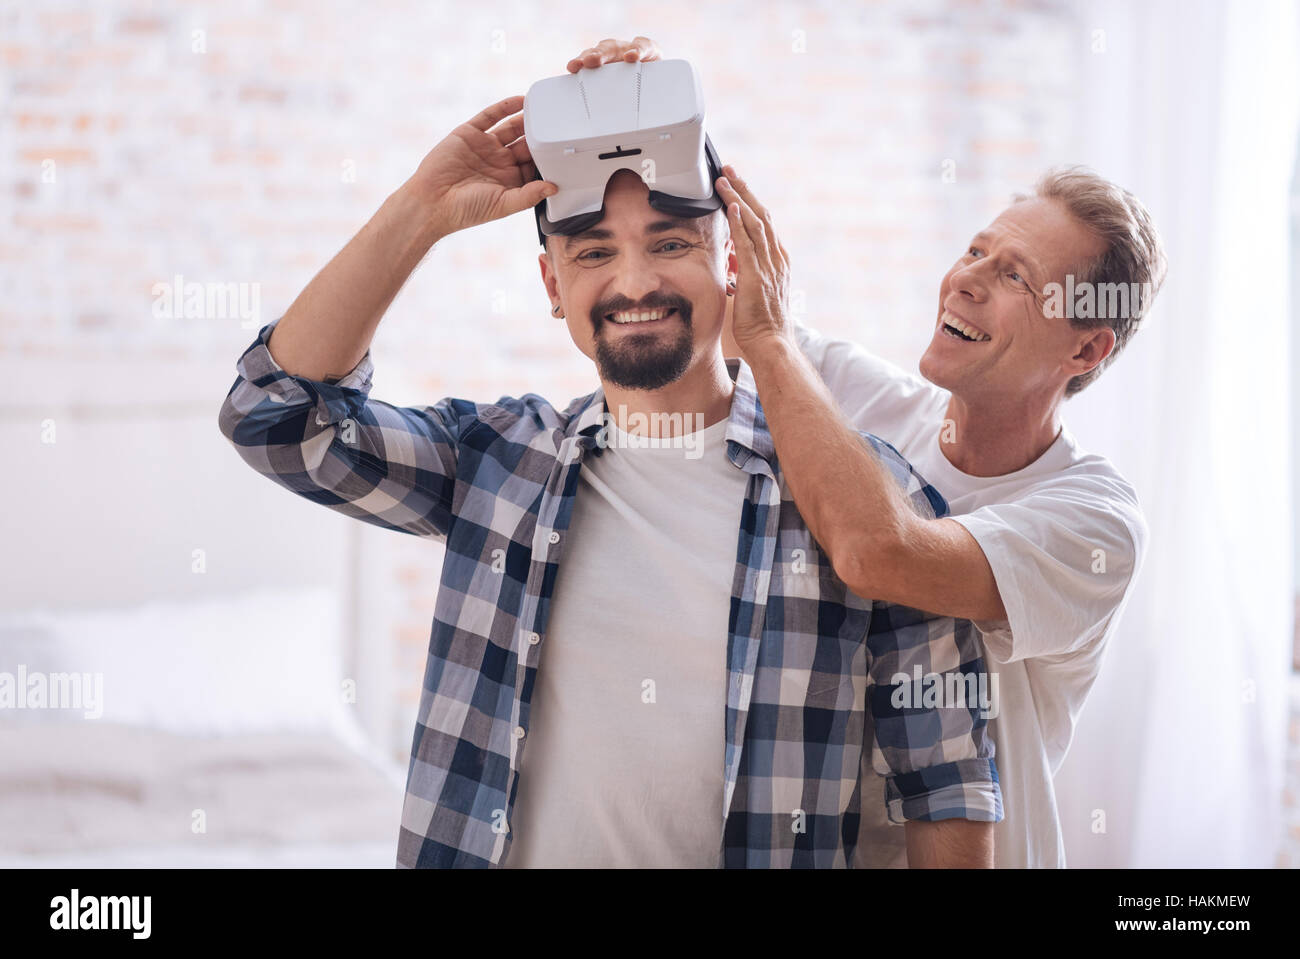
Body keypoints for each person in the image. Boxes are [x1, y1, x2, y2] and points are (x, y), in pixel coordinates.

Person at [217, 89, 1003, 867]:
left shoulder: (856, 498)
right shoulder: (497, 461)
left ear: (733, 260)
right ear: (552, 285)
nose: (634, 284)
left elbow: (947, 786)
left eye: (670, 244)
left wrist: (769, 338)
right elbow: (277, 415)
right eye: (594, 252)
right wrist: (421, 209)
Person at [572, 36, 1165, 868]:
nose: (965, 280)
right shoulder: (871, 402)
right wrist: (652, 134)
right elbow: (724, 301)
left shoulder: (1094, 521)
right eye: (974, 252)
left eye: (1015, 277)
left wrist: (772, 343)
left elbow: (879, 551)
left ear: (1085, 349)